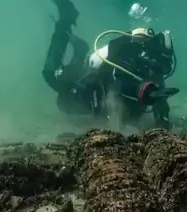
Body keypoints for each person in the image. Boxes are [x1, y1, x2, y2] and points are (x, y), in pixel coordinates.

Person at [43, 0, 178, 129]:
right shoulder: (129, 51)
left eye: (165, 64)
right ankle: (66, 19)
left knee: (75, 89)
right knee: (50, 75)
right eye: (161, 62)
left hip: (96, 90)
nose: (162, 69)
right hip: (90, 82)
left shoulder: (153, 68)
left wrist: (163, 121)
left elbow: (160, 99)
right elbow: (119, 85)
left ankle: (80, 49)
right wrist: (145, 91)